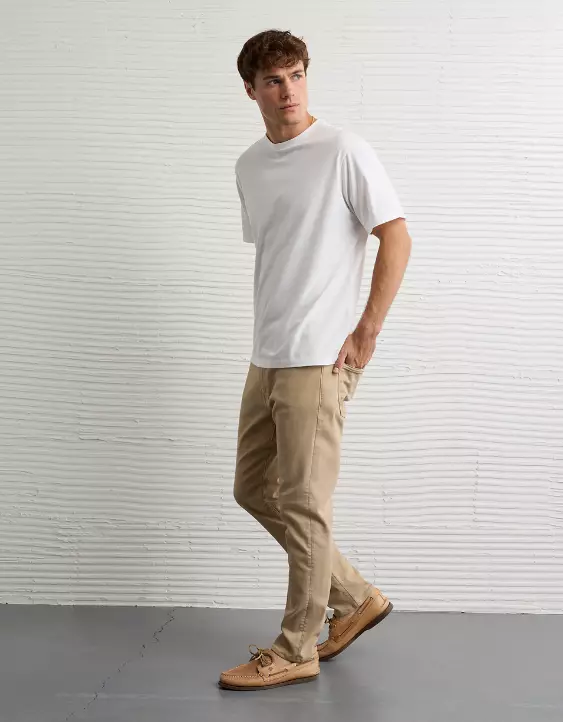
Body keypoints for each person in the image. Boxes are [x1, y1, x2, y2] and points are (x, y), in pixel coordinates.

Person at [219, 29, 412, 691]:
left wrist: (367, 330)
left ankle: (296, 646)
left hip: (319, 358)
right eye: (273, 81)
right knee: (253, 488)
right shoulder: (249, 165)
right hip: (267, 355)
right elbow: (284, 257)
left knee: (304, 505)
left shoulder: (342, 150)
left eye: (297, 75)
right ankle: (354, 597)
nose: (289, 91)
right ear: (250, 90)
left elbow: (395, 236)